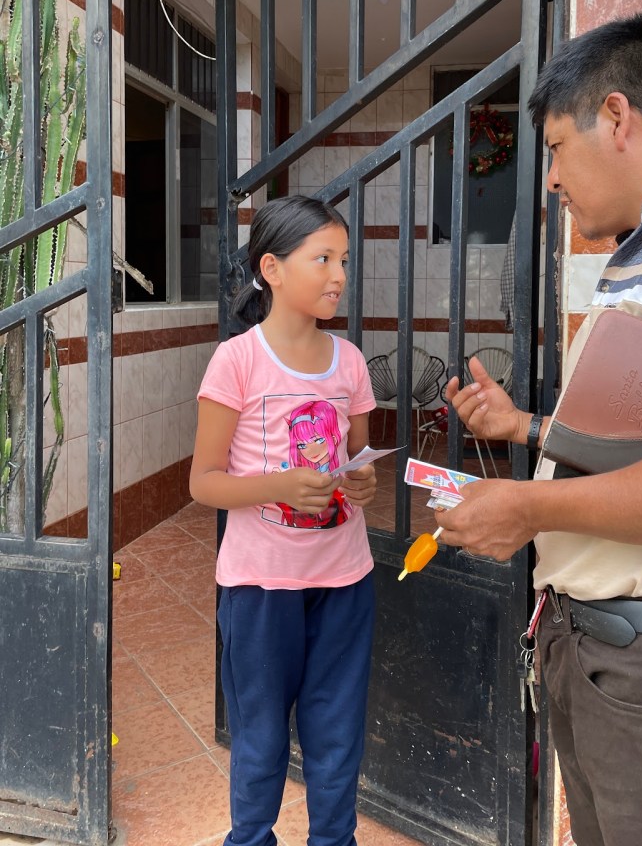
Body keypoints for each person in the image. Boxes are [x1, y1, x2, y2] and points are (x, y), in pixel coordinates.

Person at [439, 13, 642, 846]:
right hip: (615, 659)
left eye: (556, 146)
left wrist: (527, 509)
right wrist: (527, 426)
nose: (551, 177)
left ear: (617, 116)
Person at [189, 194, 378, 846]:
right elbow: (203, 481)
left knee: (337, 731)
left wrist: (362, 482)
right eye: (323, 259)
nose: (339, 275)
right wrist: (279, 486)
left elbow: (357, 466)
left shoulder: (350, 363)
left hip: (344, 579)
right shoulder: (237, 361)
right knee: (261, 733)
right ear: (271, 268)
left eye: (344, 260)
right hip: (260, 586)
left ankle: (334, 839)